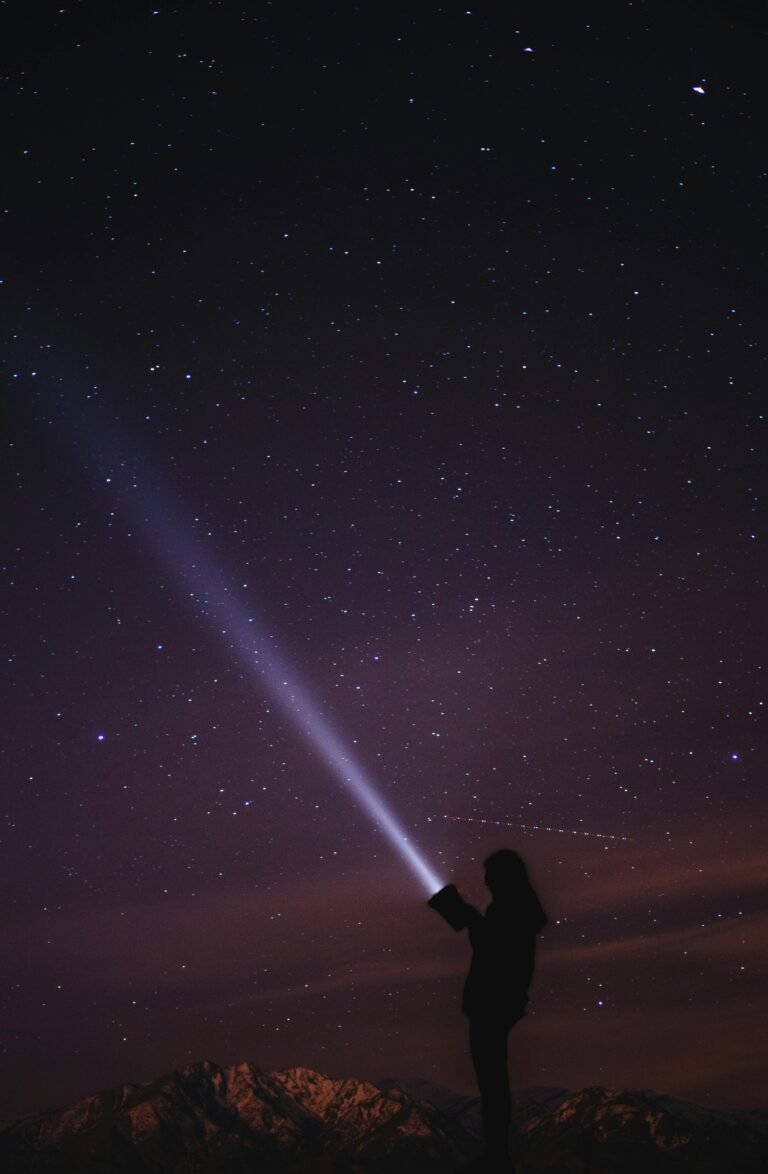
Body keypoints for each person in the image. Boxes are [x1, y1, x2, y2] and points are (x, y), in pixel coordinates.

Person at [429, 849, 547, 1173]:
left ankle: (497, 1154)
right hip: (499, 1000)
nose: (485, 880)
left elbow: (495, 948)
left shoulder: (512, 910)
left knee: (492, 1079)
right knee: (492, 1079)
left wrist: (467, 917)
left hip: (494, 1001)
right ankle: (496, 1151)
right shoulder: (517, 909)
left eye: (490, 873)